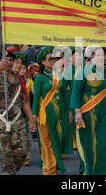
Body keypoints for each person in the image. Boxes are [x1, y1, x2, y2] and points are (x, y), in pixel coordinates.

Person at [0, 51, 35, 175]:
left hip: (18, 121)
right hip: (0, 122)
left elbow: (25, 101)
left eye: (11, 60)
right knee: (6, 156)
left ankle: (11, 169)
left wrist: (31, 120)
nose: (9, 62)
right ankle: (9, 170)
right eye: (6, 60)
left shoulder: (19, 79)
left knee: (23, 151)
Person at [71, 46, 106, 175]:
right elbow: (76, 92)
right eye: (98, 55)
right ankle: (88, 170)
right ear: (91, 58)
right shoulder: (83, 72)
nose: (102, 58)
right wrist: (77, 112)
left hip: (104, 114)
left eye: (103, 55)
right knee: (88, 142)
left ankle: (105, 171)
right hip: (86, 113)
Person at [32, 46, 68, 175]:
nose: (52, 61)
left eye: (53, 58)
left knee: (57, 140)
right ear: (42, 62)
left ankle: (54, 165)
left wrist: (69, 112)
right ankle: (48, 169)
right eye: (49, 59)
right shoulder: (40, 78)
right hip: (45, 114)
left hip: (59, 114)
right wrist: (34, 115)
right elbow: (36, 97)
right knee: (46, 142)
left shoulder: (59, 75)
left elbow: (65, 95)